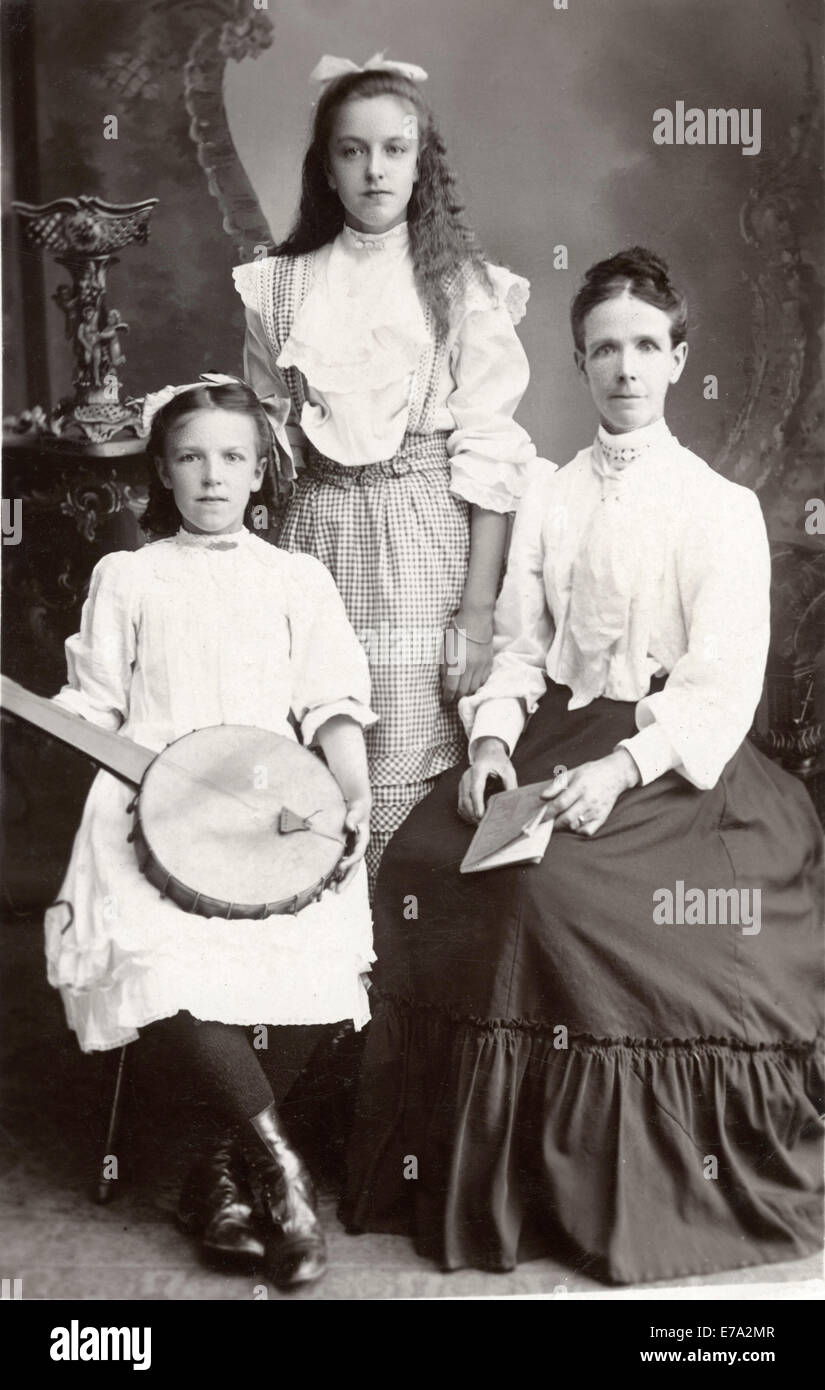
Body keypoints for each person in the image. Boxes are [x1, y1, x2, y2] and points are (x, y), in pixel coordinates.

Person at [342, 249, 824, 1284]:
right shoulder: (550, 495)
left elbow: (722, 686)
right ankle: (462, 1160)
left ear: (679, 357)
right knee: (423, 853)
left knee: (544, 889)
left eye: (646, 345)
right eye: (603, 348)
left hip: (679, 756)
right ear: (579, 363)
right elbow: (519, 646)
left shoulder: (719, 506)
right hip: (558, 728)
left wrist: (621, 768)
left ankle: (572, 1183)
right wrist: (488, 742)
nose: (625, 368)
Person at [44, 377, 376, 1290]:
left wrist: (348, 796)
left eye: (233, 456)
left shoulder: (296, 577)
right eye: (190, 456)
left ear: (260, 469)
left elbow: (332, 705)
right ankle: (288, 1180)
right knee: (173, 963)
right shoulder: (130, 576)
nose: (212, 475)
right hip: (142, 814)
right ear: (162, 468)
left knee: (317, 957)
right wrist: (61, 724)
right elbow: (93, 703)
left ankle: (221, 1178)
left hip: (270, 814)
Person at [232, 53, 545, 888]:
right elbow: (269, 437)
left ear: (422, 162)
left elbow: (488, 458)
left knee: (408, 760)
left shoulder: (460, 287)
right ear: (325, 167)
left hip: (424, 544)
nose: (375, 170)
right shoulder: (279, 286)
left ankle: (396, 983)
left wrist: (475, 615)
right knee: (311, 747)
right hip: (314, 542)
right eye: (352, 151)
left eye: (394, 150)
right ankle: (318, 973)